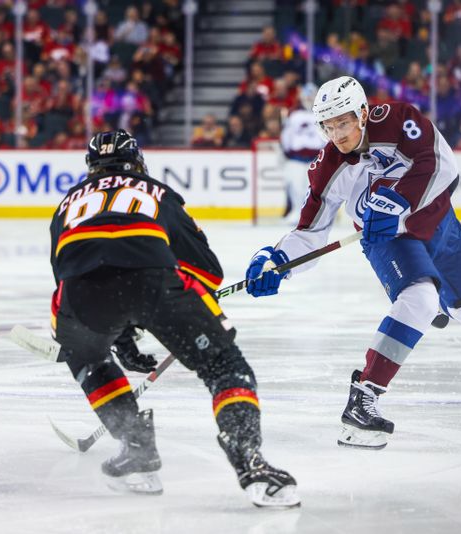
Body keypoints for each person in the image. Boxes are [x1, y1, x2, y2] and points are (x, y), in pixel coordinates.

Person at [49, 129, 299, 507]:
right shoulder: (155, 191)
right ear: (138, 163)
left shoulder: (67, 203)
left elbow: (70, 272)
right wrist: (187, 316)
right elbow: (206, 270)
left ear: (90, 168)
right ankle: (251, 462)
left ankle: (136, 447)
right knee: (224, 366)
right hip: (153, 282)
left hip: (80, 296)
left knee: (86, 355)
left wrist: (119, 336)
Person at [245, 76, 461, 450]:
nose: (337, 134)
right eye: (327, 126)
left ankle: (432, 306)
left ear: (362, 113)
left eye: (342, 122)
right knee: (420, 300)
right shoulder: (329, 166)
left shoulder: (399, 122)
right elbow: (310, 233)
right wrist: (277, 259)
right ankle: (364, 397)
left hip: (441, 225)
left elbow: (442, 165)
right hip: (390, 242)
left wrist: (400, 201)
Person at [280, 83, 328, 220]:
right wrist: (288, 152)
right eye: (307, 96)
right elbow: (287, 135)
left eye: (312, 96)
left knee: (315, 188)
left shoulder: (322, 115)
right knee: (295, 186)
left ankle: (315, 214)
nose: (309, 99)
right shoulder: (294, 115)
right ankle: (296, 211)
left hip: (316, 158)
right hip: (296, 158)